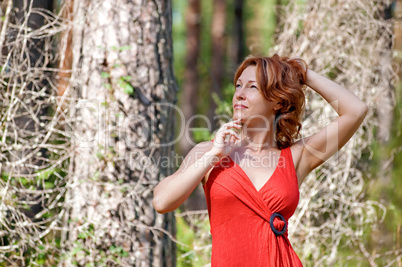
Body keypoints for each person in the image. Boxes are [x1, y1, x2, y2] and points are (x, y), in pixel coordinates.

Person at [152, 54, 368, 266]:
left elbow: (355, 111)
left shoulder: (297, 157)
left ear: (278, 101)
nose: (240, 94)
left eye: (252, 87)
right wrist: (213, 156)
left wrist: (302, 72)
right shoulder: (209, 152)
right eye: (238, 86)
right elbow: (162, 201)